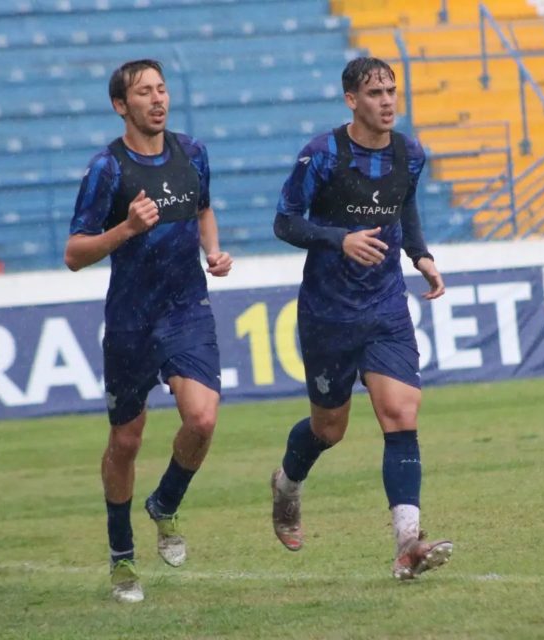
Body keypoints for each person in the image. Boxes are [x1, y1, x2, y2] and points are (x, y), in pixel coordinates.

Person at [268, 56, 453, 580]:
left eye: (392, 90)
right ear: (352, 100)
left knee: (401, 413)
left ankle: (408, 543)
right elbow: (284, 221)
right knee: (330, 429)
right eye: (375, 93)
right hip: (328, 311)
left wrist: (420, 255)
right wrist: (339, 239)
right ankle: (287, 483)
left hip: (386, 306)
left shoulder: (409, 153)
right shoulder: (322, 154)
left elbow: (403, 206)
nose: (388, 100)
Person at [64, 59, 233, 603]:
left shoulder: (194, 153)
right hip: (133, 322)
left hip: (186, 309)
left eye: (161, 89)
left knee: (203, 418)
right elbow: (74, 254)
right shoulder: (106, 170)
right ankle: (121, 557)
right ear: (122, 106)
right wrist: (127, 228)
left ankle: (164, 503)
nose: (157, 99)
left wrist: (212, 251)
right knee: (126, 440)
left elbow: (203, 208)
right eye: (144, 93)